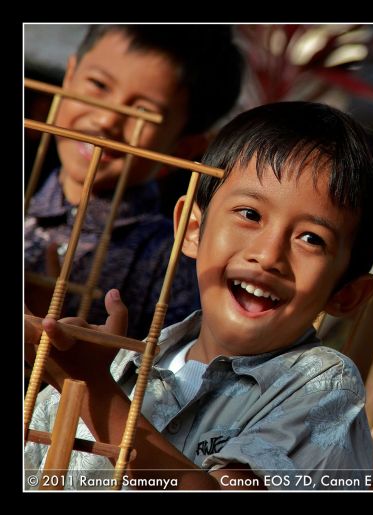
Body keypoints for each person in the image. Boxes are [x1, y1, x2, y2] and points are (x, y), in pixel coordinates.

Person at [24, 101, 373, 490]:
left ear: (348, 294)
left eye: (311, 239)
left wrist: (94, 390)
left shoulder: (321, 386)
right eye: (250, 215)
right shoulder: (120, 366)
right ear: (192, 229)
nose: (268, 255)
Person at [25, 25, 244, 339]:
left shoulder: (170, 259)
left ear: (185, 147)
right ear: (69, 76)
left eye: (143, 112)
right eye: (98, 85)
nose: (107, 120)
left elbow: (170, 366)